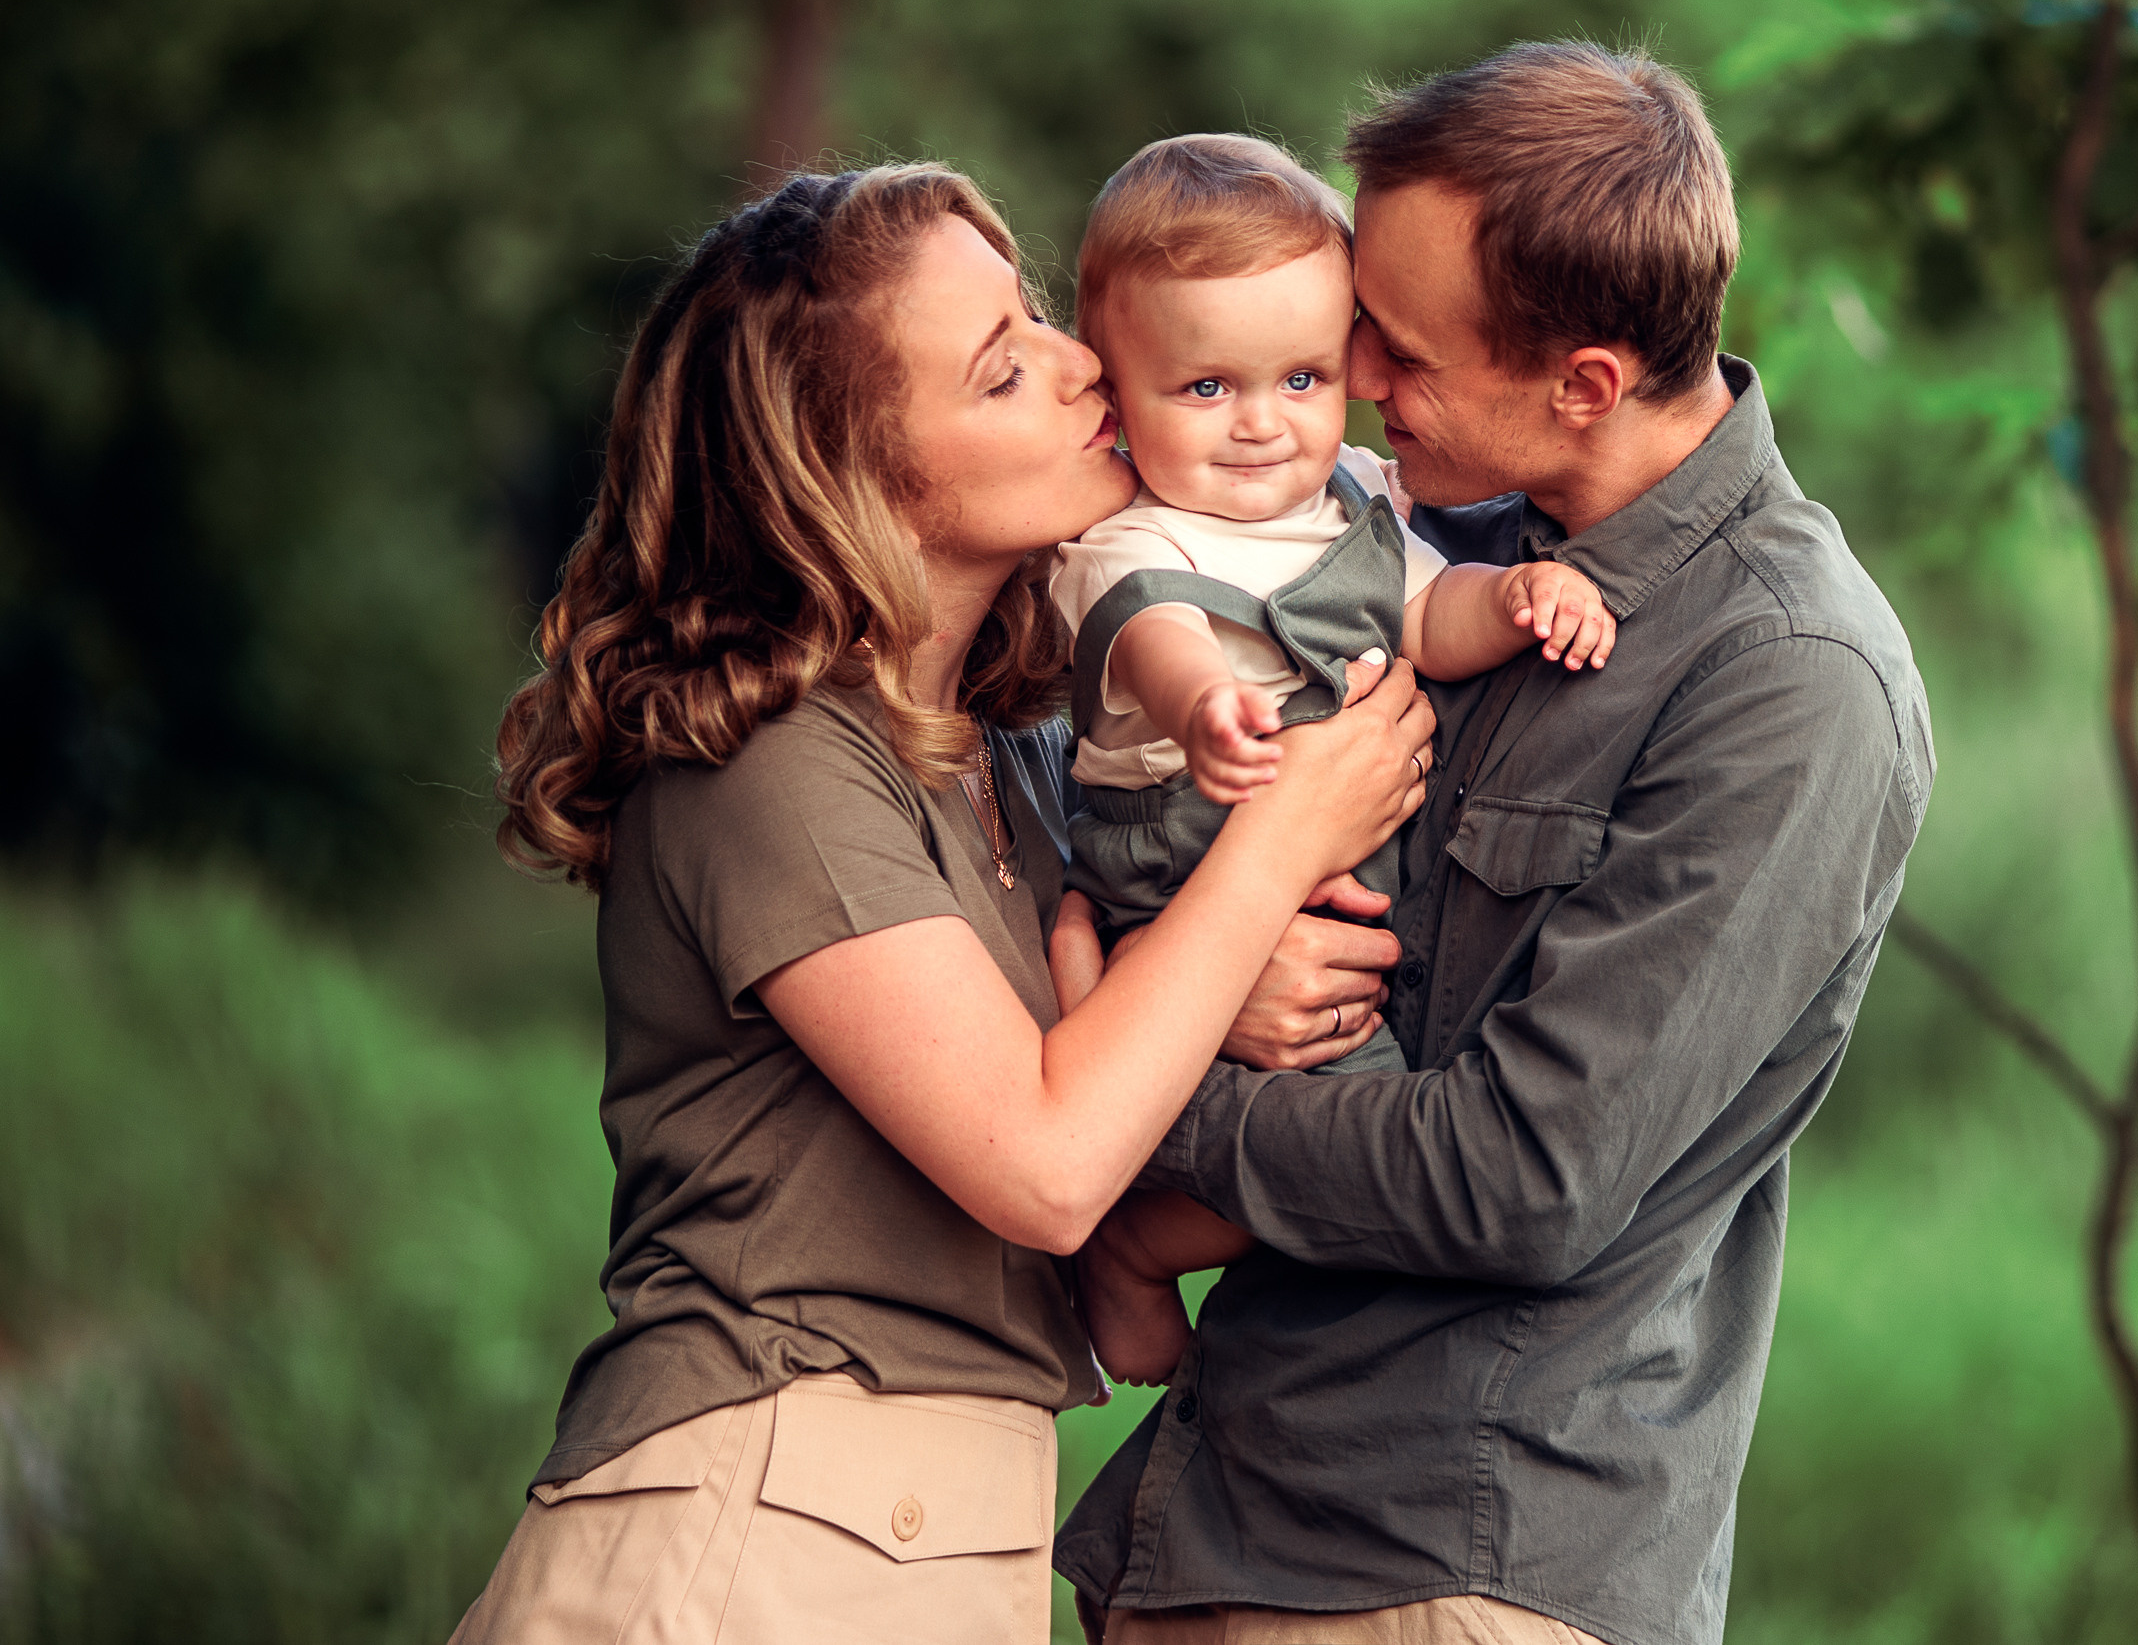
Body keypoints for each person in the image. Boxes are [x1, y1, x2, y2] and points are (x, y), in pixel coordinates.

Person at [450, 162, 1436, 1645]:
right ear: (855, 473)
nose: (1084, 361)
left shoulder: (1017, 766)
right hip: (756, 1526)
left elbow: (1067, 1079)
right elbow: (1043, 1163)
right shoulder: (770, 766)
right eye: (1003, 368)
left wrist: (1215, 983)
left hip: (933, 1536)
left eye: (1037, 314)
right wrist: (1281, 836)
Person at [1056, 43, 1935, 1645]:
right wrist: (1190, 968)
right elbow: (1108, 758)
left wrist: (1135, 1093)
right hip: (1224, 1509)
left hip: (1448, 1564)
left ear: (1584, 380)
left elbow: (1527, 1176)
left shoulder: (1788, 679)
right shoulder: (1422, 530)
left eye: (1395, 347)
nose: (1359, 381)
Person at [1047, 134, 1613, 1385]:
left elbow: (1429, 616)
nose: (1261, 425)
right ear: (1116, 396)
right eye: (1205, 388)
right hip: (1187, 851)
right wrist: (1205, 710)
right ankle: (1134, 1249)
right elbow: (1151, 637)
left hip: (1330, 873)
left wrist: (1520, 595)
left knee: (1355, 1100)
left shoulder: (1355, 497)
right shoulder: (1128, 534)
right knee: (1341, 1126)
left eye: (1301, 377)